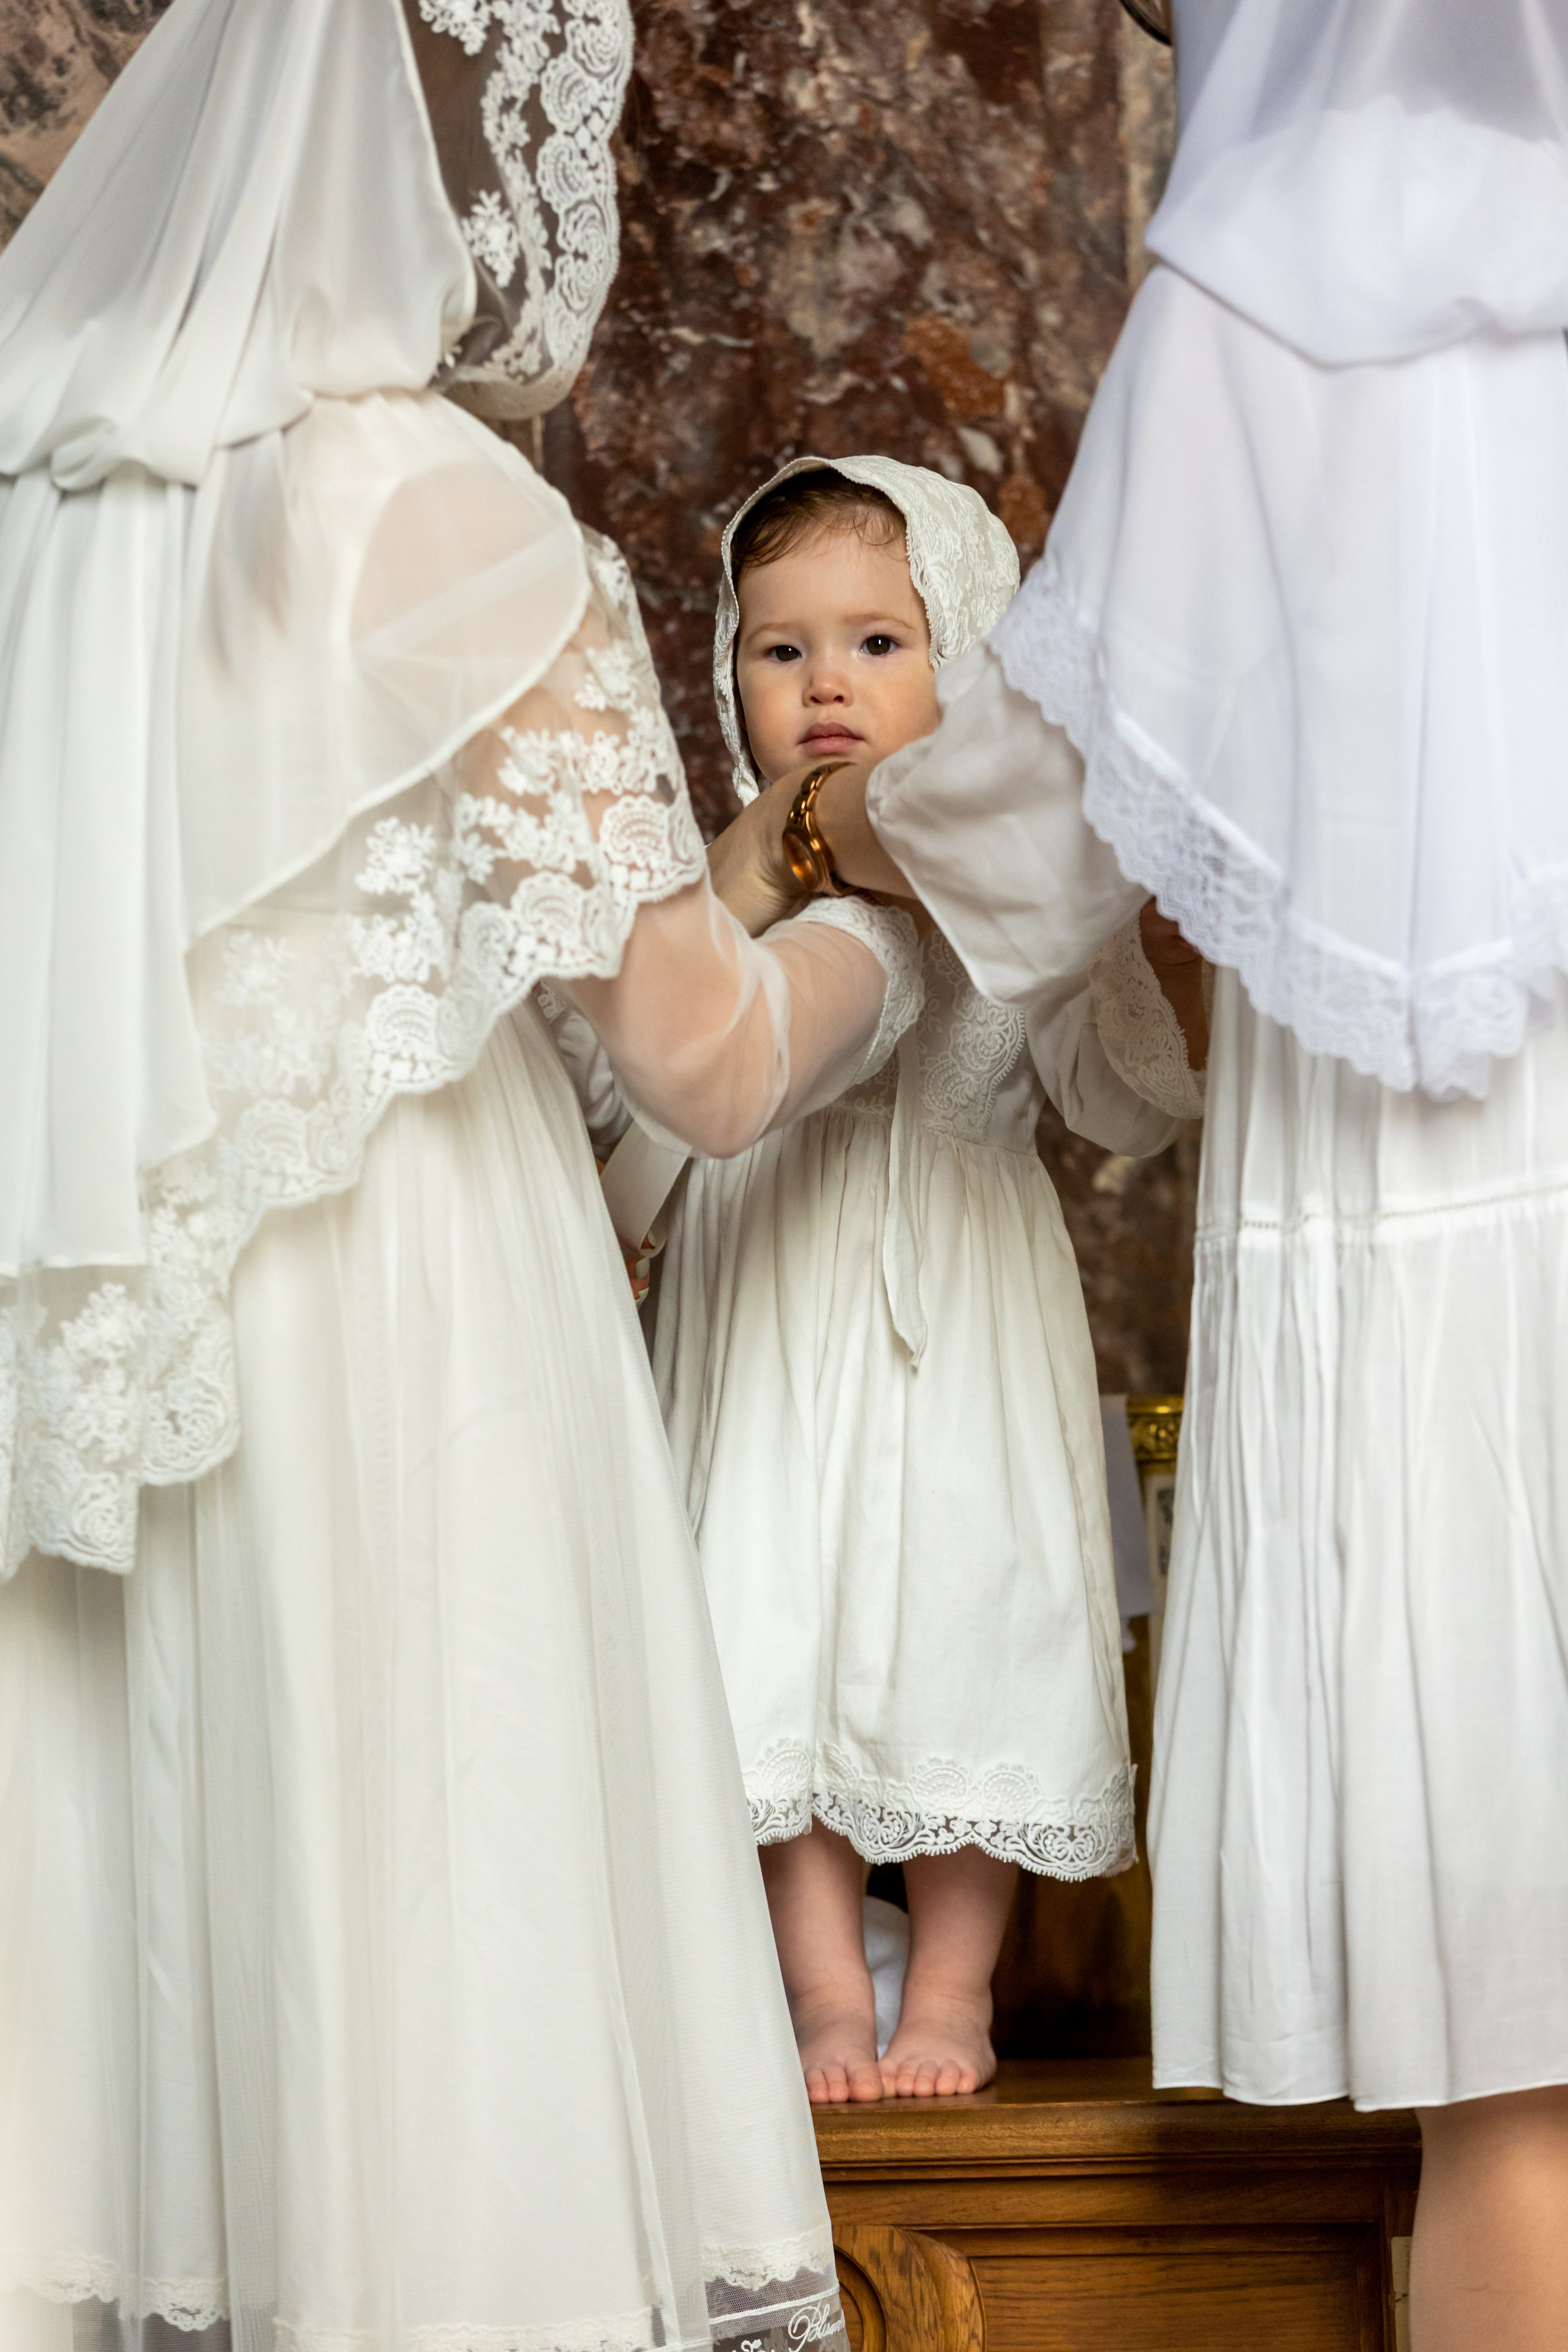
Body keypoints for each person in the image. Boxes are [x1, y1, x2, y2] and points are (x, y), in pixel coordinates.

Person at [0, 3, 919, 2346]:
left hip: (111, 1389)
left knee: (168, 2029)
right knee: (425, 1963)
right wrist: (885, 941)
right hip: (403, 1340)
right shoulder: (429, 503)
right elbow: (701, 1063)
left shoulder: (49, 489)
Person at [714, 2, 1568, 2345]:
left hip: (1448, 1171)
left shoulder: (1269, 285)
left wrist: (805, 826)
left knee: (1515, 2079)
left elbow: (1069, 768)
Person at [560, 456, 1204, 2106]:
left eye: (878, 643)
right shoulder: (735, 889)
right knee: (765, 1623)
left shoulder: (1002, 896)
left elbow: (1130, 1096)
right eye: (781, 653)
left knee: (965, 1622)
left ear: (971, 666)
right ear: (733, 680)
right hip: (769, 1299)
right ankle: (830, 1995)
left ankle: (959, 1992)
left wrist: (1056, 924)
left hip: (961, 1312)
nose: (826, 681)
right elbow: (641, 1085)